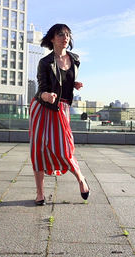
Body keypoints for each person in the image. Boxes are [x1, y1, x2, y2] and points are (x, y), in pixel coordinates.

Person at [29, 23, 90, 206]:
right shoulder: (45, 62)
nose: (65, 38)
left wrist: (74, 84)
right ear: (52, 38)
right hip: (42, 109)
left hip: (61, 110)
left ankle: (81, 179)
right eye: (61, 34)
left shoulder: (75, 59)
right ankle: (40, 194)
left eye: (68, 35)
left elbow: (64, 80)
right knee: (38, 150)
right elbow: (42, 88)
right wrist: (46, 95)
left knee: (65, 149)